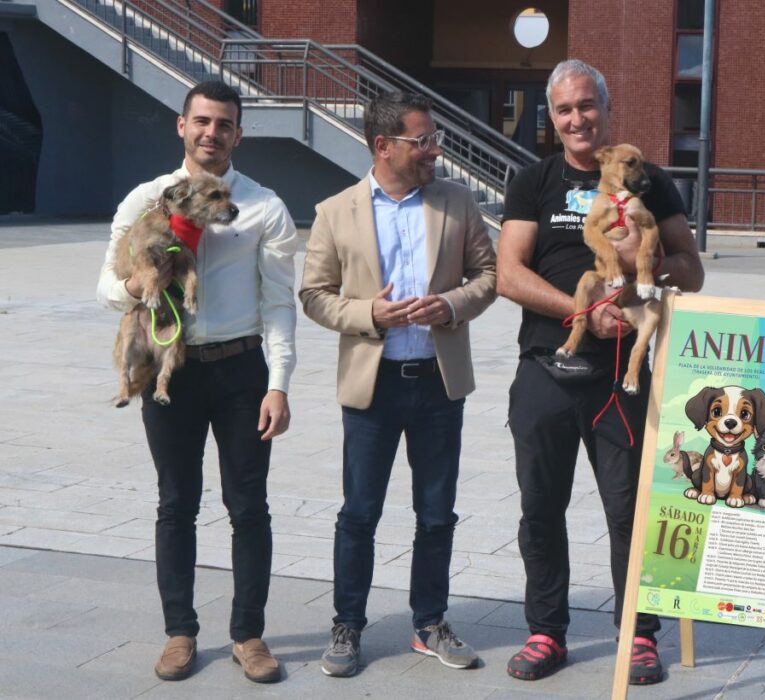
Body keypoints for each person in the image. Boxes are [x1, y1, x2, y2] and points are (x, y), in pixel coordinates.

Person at [496, 59, 705, 685]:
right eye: (564, 109)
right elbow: (509, 273)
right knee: (540, 506)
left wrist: (648, 273)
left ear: (606, 111)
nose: (577, 118)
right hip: (547, 362)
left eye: (587, 105)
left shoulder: (651, 180)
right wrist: (584, 311)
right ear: (552, 117)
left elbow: (691, 268)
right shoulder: (533, 181)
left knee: (629, 510)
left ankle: (638, 633)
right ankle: (545, 630)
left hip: (622, 373)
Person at [97, 81, 297, 684]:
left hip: (241, 371)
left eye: (225, 124)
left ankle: (249, 634)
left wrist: (279, 383)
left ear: (239, 134)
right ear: (181, 126)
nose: (213, 133)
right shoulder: (146, 199)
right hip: (172, 368)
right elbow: (106, 287)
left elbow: (279, 304)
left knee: (249, 506)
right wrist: (137, 285)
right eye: (202, 121)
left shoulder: (263, 206)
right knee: (176, 503)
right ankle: (179, 633)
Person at [299, 91, 497, 678]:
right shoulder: (336, 211)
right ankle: (347, 625)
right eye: (423, 141)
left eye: (436, 139)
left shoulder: (457, 201)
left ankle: (429, 622)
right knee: (359, 512)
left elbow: (488, 276)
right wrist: (369, 314)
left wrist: (451, 305)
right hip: (373, 387)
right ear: (383, 146)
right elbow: (314, 294)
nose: (434, 150)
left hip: (438, 383)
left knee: (436, 513)